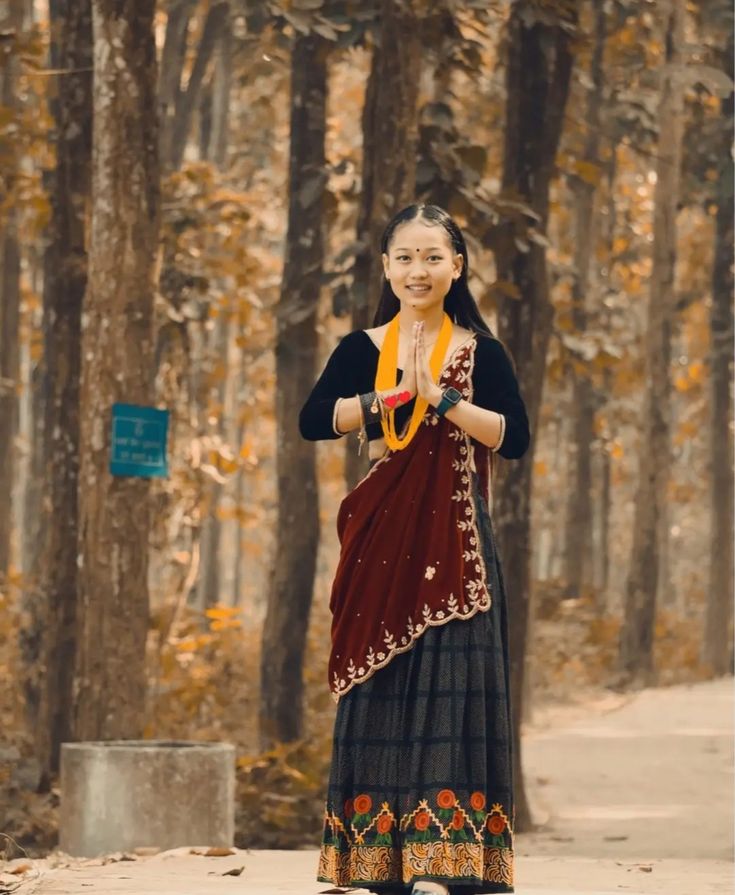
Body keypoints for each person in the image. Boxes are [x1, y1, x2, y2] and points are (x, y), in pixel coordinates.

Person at [299, 203, 530, 895]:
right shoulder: (362, 346)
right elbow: (314, 419)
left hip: (457, 539)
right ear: (386, 267)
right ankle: (377, 862)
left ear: (456, 266)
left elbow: (513, 437)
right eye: (404, 257)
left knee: (454, 689)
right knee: (377, 686)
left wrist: (445, 400)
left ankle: (451, 862)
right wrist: (389, 397)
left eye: (432, 257)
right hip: (381, 540)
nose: (417, 270)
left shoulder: (479, 351)